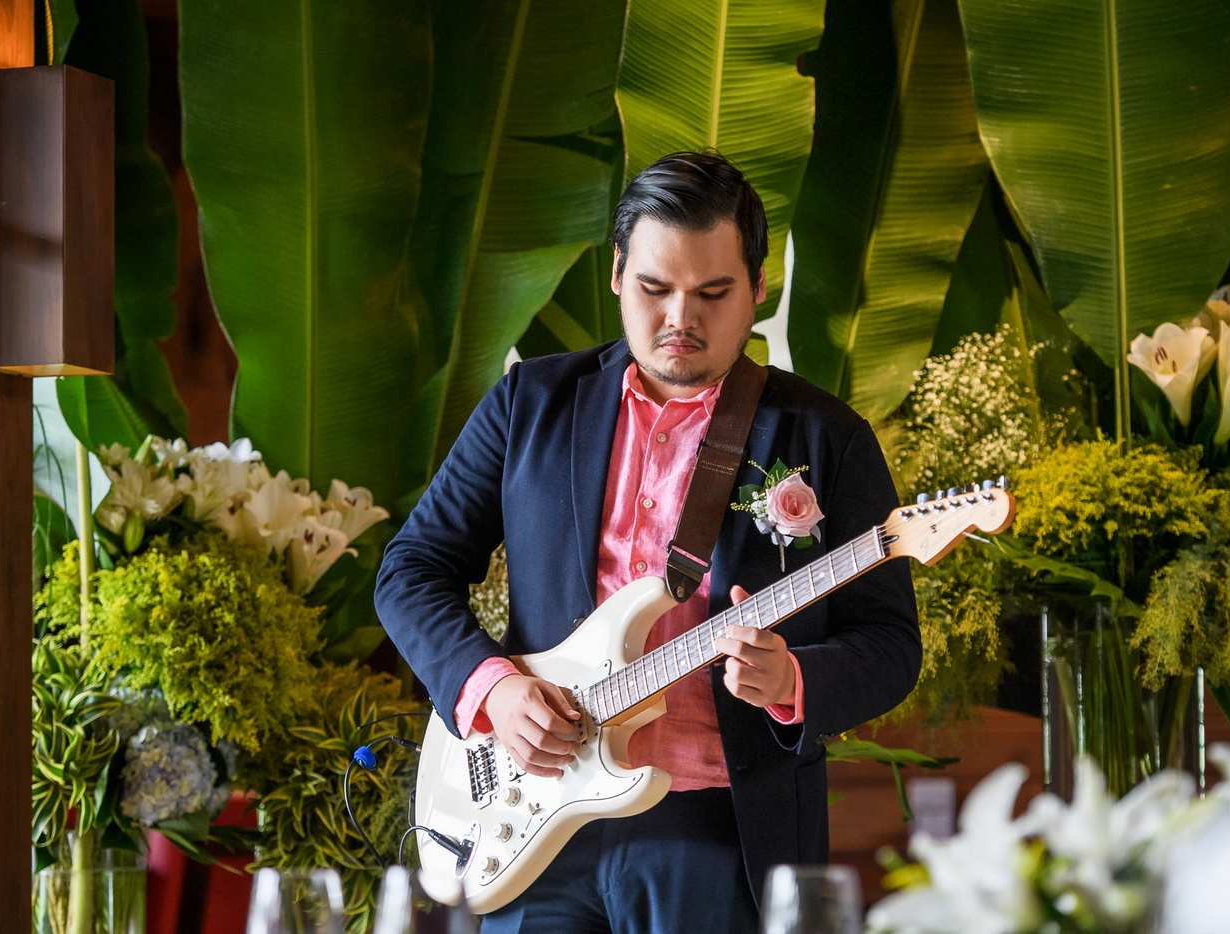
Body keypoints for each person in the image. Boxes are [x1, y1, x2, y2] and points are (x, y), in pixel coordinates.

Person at [374, 150, 921, 933]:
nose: (680, 320)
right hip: (530, 823)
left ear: (759, 288)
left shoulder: (827, 437)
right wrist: (493, 688)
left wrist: (794, 678)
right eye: (654, 288)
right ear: (616, 273)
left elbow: (890, 645)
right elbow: (411, 570)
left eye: (713, 293)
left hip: (721, 829)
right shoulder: (530, 404)